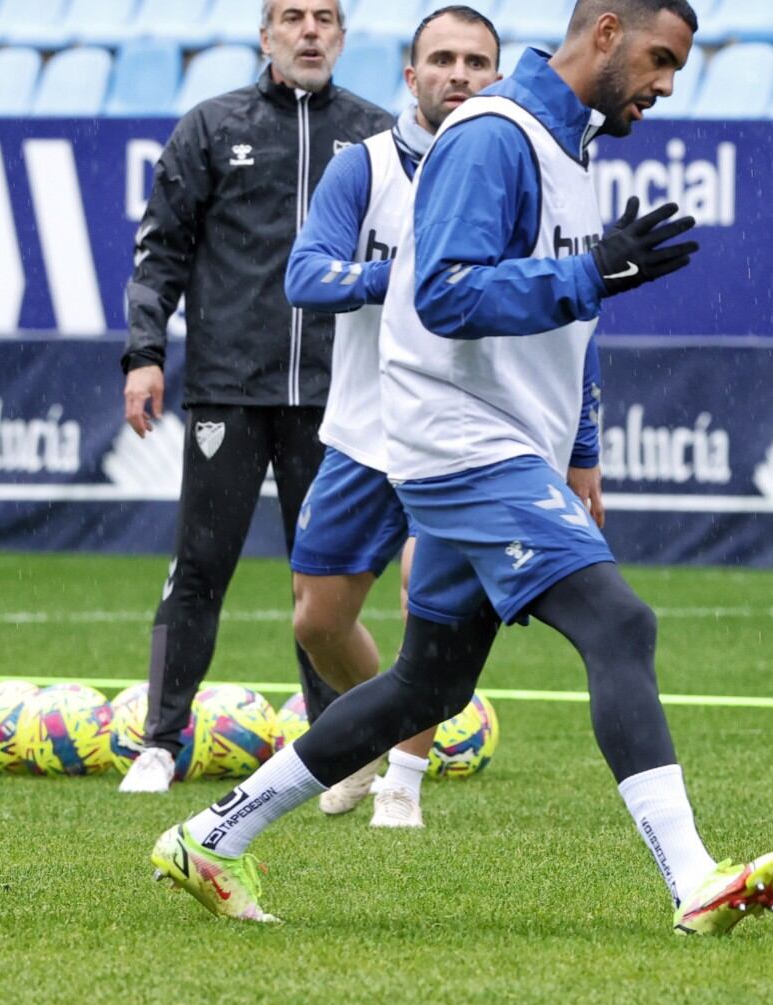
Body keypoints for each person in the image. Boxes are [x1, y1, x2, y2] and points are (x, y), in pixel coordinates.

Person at [151, 0, 773, 936]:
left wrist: (579, 448)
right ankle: (694, 877)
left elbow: (577, 325)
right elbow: (443, 293)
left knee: (428, 686)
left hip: (507, 442)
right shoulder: (495, 135)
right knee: (621, 625)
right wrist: (594, 273)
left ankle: (210, 837)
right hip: (458, 440)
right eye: (660, 59)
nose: (665, 85)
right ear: (605, 33)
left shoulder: (567, 147)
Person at [282, 5, 607, 829]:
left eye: (475, 62)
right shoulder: (364, 167)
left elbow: (571, 314)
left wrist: (583, 450)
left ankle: (403, 781)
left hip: (467, 433)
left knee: (419, 608)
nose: (458, 75)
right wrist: (408, 279)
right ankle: (372, 732)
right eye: (442, 60)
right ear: (411, 73)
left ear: (496, 75)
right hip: (366, 427)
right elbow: (305, 275)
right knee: (319, 618)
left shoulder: (518, 160)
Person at [117, 0, 394, 794]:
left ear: (343, 37)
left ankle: (333, 750)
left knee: (324, 581)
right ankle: (160, 744)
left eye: (325, 18)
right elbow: (159, 250)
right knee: (200, 566)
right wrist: (144, 355)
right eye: (292, 16)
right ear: (264, 34)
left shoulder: (376, 137)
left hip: (337, 396)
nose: (310, 31)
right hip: (228, 390)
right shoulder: (210, 126)